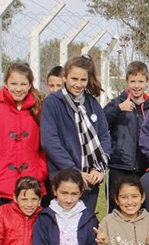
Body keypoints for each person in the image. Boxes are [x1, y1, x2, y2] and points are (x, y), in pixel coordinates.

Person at [41, 55, 111, 213]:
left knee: (85, 226)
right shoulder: (52, 103)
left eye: (83, 80)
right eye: (74, 79)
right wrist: (75, 172)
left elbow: (104, 137)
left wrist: (99, 168)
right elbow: (49, 141)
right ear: (64, 77)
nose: (78, 84)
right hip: (64, 178)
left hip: (89, 181)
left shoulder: (92, 104)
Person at [0, 62, 47, 204]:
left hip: (32, 184)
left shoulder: (39, 110)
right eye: (13, 84)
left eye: (23, 84)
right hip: (0, 185)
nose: (18, 89)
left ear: (30, 85)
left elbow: (46, 146)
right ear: (5, 83)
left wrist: (40, 173)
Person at [104, 61, 149, 209]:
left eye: (140, 81)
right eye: (133, 81)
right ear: (127, 81)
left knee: (141, 208)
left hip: (144, 167)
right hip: (119, 166)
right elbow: (100, 125)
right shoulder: (117, 103)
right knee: (117, 208)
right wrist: (118, 109)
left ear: (147, 82)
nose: (136, 85)